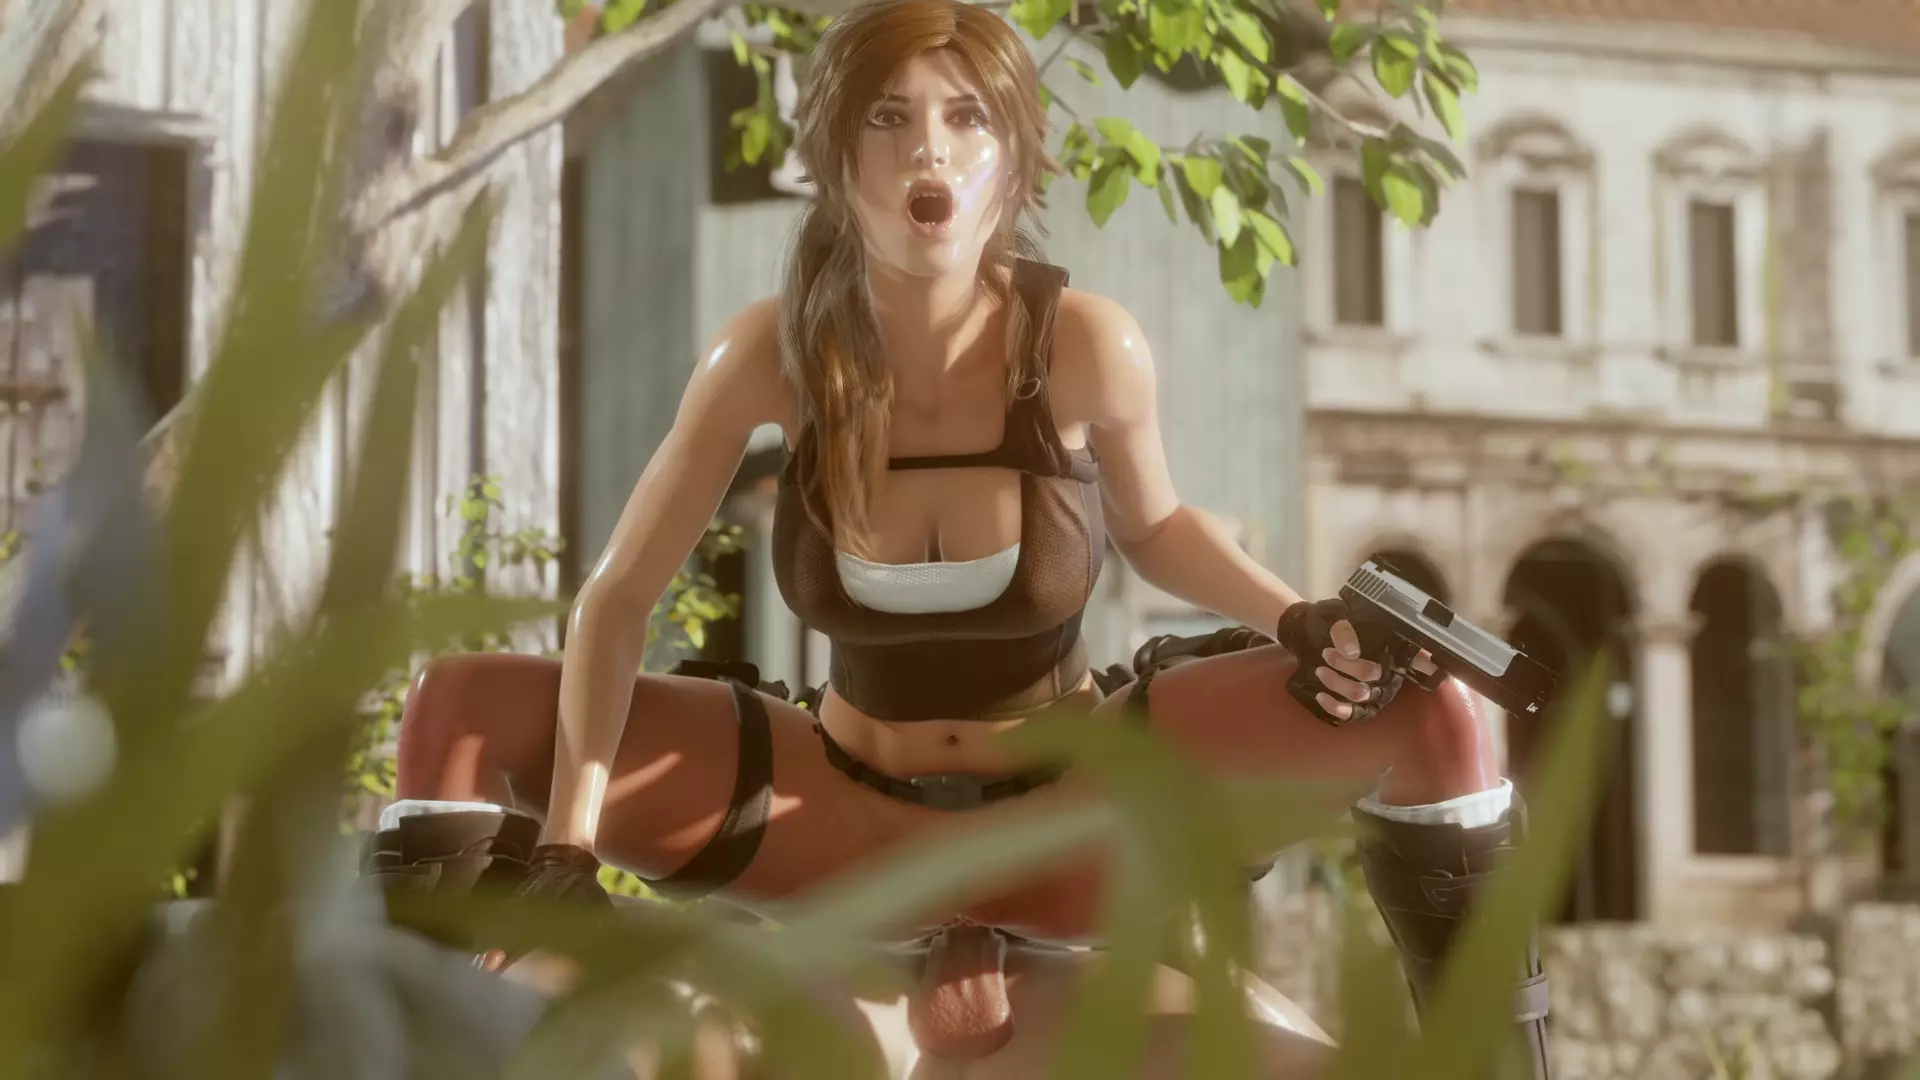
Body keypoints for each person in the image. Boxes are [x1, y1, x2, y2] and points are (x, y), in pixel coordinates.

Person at [362, 0, 1551, 1075]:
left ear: (1014, 160)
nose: (927, 149)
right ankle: (396, 1039)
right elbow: (617, 598)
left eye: (966, 116)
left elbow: (1158, 526)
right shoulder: (767, 355)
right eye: (889, 117)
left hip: (1071, 814)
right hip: (835, 817)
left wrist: (1295, 617)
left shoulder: (1088, 344)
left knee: (1435, 711)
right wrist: (568, 849)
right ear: (836, 158)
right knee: (458, 704)